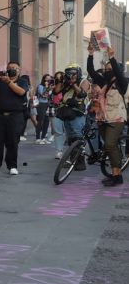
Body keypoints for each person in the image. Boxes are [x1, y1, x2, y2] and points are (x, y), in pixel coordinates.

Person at [87, 44, 128, 186]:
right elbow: (91, 71)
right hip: (102, 118)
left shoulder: (123, 82)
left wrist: (112, 57)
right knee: (110, 146)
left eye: (109, 69)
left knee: (110, 145)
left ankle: (118, 176)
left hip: (117, 117)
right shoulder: (103, 82)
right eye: (105, 69)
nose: (106, 71)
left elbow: (117, 71)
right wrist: (91, 54)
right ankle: (113, 173)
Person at [0, 62, 29, 175]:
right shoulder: (1, 80)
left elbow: (21, 92)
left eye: (15, 68)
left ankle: (12, 166)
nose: (13, 70)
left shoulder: (23, 82)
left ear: (19, 70)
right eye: (10, 68)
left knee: (12, 142)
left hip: (15, 116)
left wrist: (9, 82)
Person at [53, 63, 90, 170]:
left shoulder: (84, 81)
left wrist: (73, 84)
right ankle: (73, 159)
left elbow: (82, 94)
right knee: (70, 138)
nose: (71, 75)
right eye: (69, 73)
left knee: (78, 136)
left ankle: (80, 162)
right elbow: (56, 91)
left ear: (78, 72)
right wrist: (60, 80)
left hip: (78, 112)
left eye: (73, 73)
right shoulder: (66, 82)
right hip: (66, 112)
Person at [50, 71, 66, 158]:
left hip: (67, 109)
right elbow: (54, 92)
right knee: (58, 132)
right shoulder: (52, 86)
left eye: (61, 77)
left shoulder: (68, 86)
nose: (59, 79)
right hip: (56, 109)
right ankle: (59, 150)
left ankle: (68, 151)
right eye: (57, 78)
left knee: (67, 131)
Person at [35, 74, 54, 144]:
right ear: (44, 79)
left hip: (48, 104)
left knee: (46, 121)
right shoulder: (40, 86)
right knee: (40, 121)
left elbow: (51, 95)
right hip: (41, 104)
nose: (48, 80)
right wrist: (47, 87)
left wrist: (51, 88)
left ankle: (43, 138)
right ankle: (37, 138)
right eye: (47, 79)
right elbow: (44, 95)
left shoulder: (51, 87)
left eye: (50, 79)